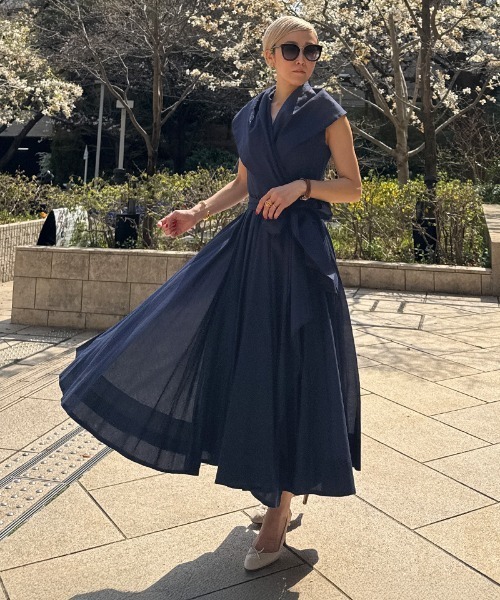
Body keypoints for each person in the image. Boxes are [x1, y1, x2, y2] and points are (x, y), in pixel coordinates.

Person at [59, 15, 362, 572]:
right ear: (269, 55)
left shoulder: (328, 113)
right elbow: (245, 182)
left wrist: (302, 187)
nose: (304, 59)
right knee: (247, 366)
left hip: (300, 260)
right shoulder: (248, 115)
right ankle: (276, 488)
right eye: (291, 49)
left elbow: (352, 188)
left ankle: (279, 508)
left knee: (291, 369)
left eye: (313, 50)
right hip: (251, 253)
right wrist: (197, 212)